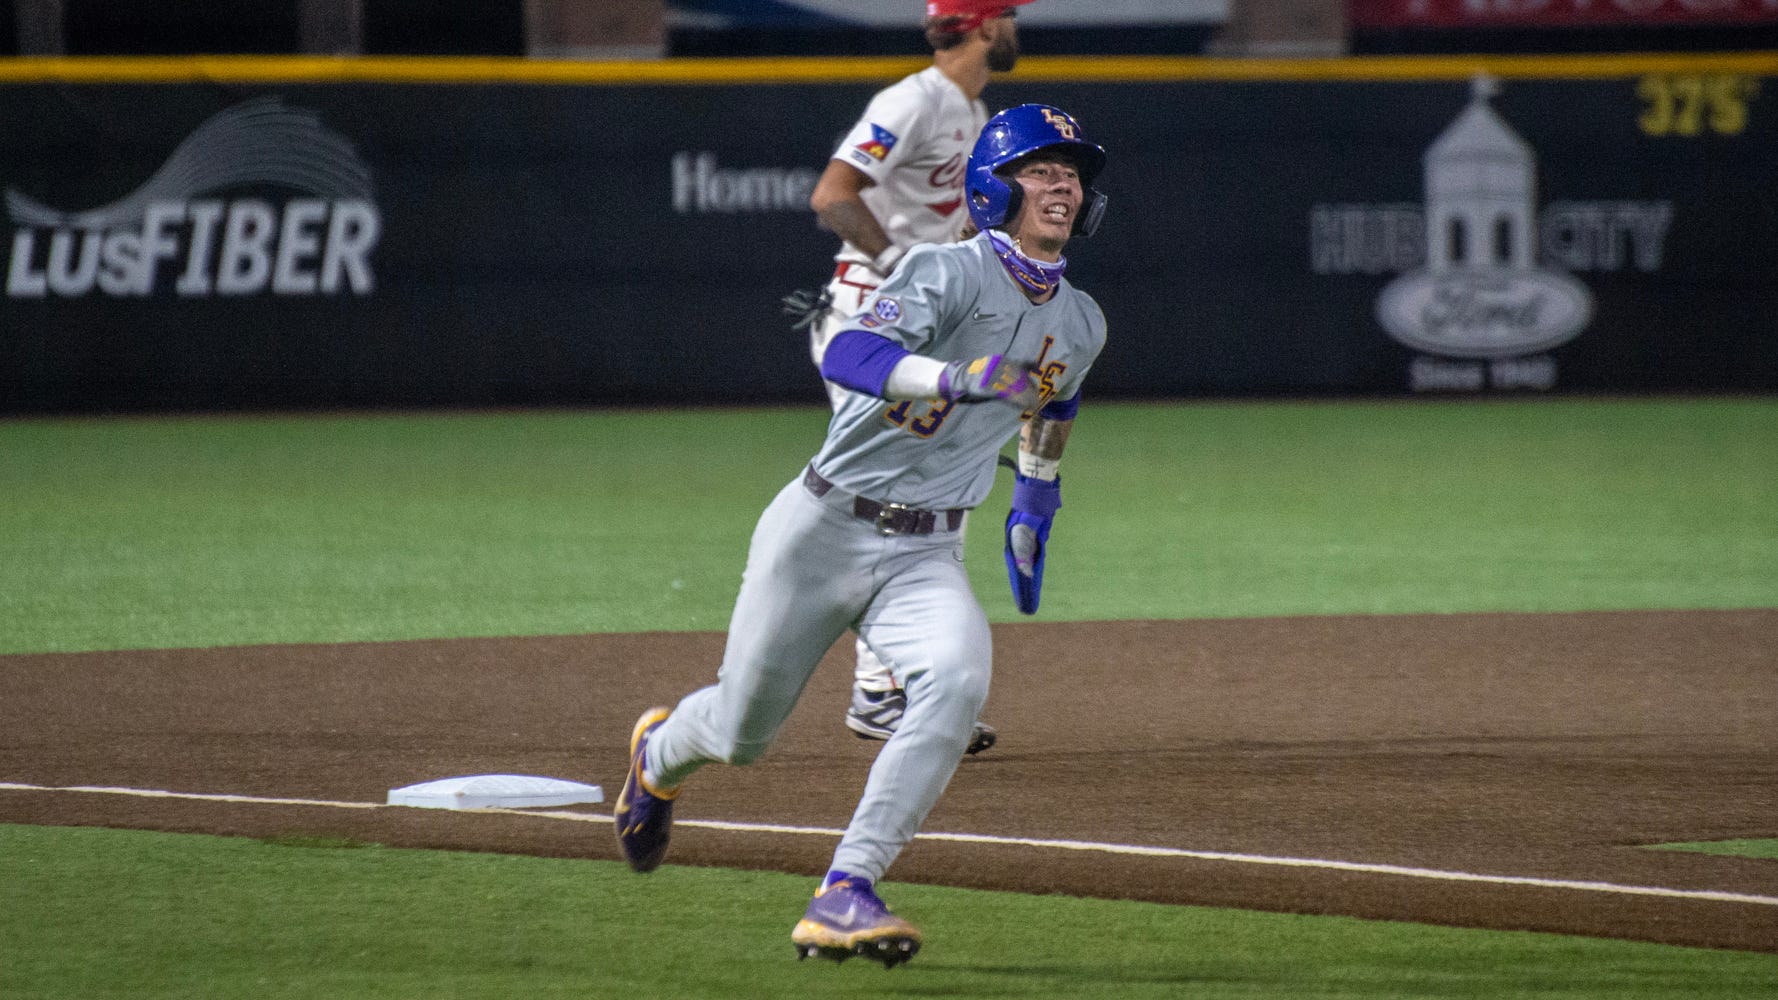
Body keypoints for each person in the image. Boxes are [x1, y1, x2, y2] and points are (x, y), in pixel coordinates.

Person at [616, 102, 1110, 968]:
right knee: (741, 736)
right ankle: (658, 755)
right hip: (823, 527)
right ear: (994, 189)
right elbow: (851, 356)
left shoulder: (1084, 318)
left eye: (1072, 173)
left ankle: (847, 887)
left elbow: (1054, 402)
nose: (1062, 183)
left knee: (955, 687)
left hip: (926, 551)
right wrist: (958, 377)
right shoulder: (945, 270)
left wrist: (1037, 497)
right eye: (1040, 168)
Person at [787, 0, 1032, 757]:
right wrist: (900, 267)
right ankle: (878, 689)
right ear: (986, 25)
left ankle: (887, 688)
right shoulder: (913, 99)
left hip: (920, 330)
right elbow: (832, 193)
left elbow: (951, 232)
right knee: (889, 494)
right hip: (870, 324)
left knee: (923, 488)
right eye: (1010, 15)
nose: (1018, 27)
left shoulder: (972, 108)